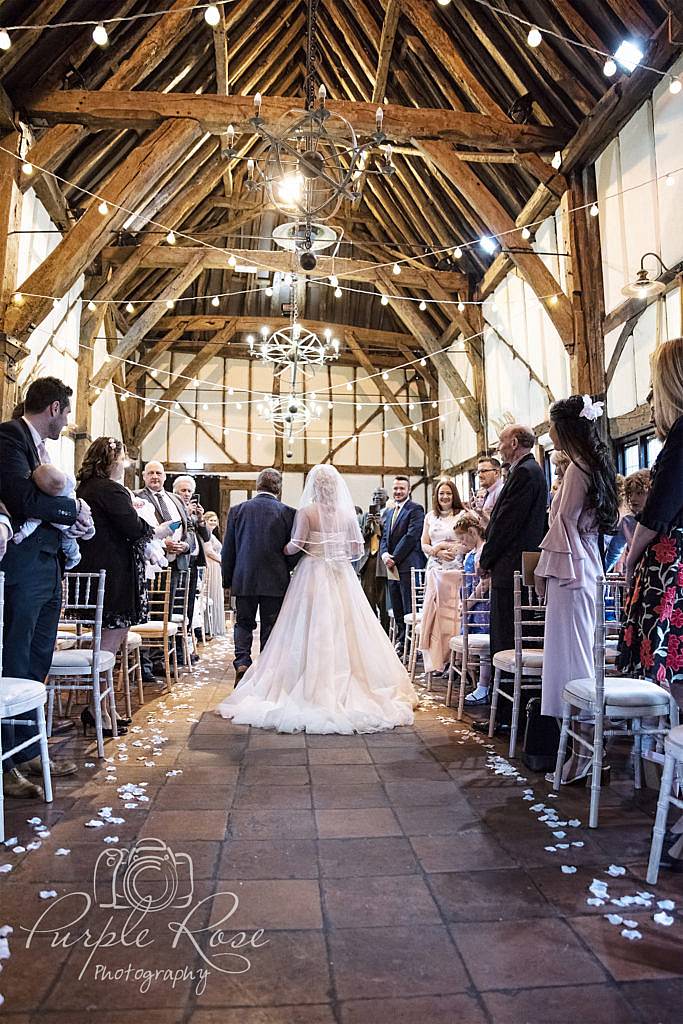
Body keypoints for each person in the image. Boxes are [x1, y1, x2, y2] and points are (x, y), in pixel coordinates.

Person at [216, 464, 417, 733]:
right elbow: (357, 548)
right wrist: (333, 554)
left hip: (301, 574)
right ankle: (339, 677)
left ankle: (249, 663)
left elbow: (294, 545)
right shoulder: (344, 514)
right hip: (339, 574)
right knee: (339, 626)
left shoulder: (303, 512)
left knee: (286, 625)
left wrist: (286, 550)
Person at [0, 377, 94, 798]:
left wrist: (73, 522)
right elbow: (22, 500)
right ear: (54, 408)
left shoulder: (42, 448)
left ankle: (29, 750)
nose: (68, 420)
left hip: (50, 563)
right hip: (23, 565)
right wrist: (72, 508)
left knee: (38, 659)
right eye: (68, 411)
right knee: (15, 657)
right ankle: (8, 763)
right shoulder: (10, 436)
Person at [618, 338, 683, 869]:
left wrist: (628, 559)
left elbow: (658, 512)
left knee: (675, 680)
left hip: (673, 571)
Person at [535, 396, 619, 783]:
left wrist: (541, 568)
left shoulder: (575, 470)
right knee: (582, 654)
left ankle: (583, 752)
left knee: (572, 662)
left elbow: (563, 524)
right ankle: (585, 750)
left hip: (572, 571)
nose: (548, 432)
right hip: (588, 564)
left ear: (563, 429)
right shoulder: (595, 465)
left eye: (551, 425)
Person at [76, 437, 155, 736]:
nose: (126, 464)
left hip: (100, 572)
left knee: (107, 647)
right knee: (107, 648)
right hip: (113, 577)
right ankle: (97, 708)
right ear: (110, 461)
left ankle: (104, 707)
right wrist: (150, 527)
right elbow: (133, 528)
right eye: (122, 458)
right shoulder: (109, 489)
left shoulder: (87, 488)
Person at [475, 424, 547, 734]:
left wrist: (486, 558)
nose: (499, 448)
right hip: (516, 566)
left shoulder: (525, 473)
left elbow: (506, 523)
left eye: (501, 442)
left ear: (514, 443)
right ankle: (506, 712)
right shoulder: (529, 471)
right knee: (506, 639)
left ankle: (506, 715)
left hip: (511, 569)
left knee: (504, 641)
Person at [221, 468, 297, 683]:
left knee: (243, 623)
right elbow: (294, 549)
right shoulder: (289, 513)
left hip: (244, 578)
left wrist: (227, 579)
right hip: (276, 579)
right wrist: (286, 567)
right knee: (270, 625)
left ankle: (243, 661)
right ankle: (266, 669)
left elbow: (229, 550)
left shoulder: (237, 511)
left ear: (257, 486)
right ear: (279, 488)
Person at [418, 479, 465, 674]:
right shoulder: (430, 516)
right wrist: (436, 551)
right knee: (436, 615)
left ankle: (455, 659)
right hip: (436, 569)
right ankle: (439, 660)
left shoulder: (463, 514)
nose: (445, 497)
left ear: (454, 495)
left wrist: (454, 549)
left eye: (448, 493)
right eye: (441, 494)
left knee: (454, 615)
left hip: (456, 569)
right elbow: (423, 544)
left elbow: (470, 540)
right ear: (436, 497)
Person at [12, 464, 92, 569]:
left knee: (69, 544)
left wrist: (22, 534)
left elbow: (33, 522)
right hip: (71, 521)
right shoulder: (68, 483)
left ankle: (76, 555)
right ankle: (84, 541)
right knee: (81, 528)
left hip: (67, 522)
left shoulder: (49, 500)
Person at [380, 475, 426, 654]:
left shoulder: (415, 510)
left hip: (407, 565)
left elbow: (411, 536)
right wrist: (384, 555)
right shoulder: (389, 512)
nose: (398, 492)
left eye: (402, 489)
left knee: (409, 607)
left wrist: (395, 558)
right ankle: (401, 642)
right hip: (391, 566)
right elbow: (384, 536)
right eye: (396, 489)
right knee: (397, 606)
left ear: (408, 490)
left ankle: (412, 646)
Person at [172, 475, 211, 662]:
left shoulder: (194, 513)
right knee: (175, 608)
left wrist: (200, 519)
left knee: (188, 609)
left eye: (189, 491)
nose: (187, 494)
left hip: (193, 566)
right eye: (183, 490)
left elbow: (206, 537)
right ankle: (175, 651)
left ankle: (184, 650)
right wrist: (186, 514)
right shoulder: (173, 509)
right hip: (178, 564)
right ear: (175, 491)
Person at [454, 511, 491, 706]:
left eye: (462, 538)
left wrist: (469, 601)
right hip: (471, 605)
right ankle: (476, 682)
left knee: (484, 648)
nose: (462, 543)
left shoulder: (482, 552)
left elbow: (483, 584)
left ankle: (483, 685)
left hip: (480, 607)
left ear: (471, 532)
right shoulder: (471, 553)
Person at [359, 487, 390, 631]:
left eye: (380, 495)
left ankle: (385, 631)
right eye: (375, 494)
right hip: (368, 561)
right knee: (367, 598)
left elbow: (390, 536)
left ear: (387, 498)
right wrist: (367, 527)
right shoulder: (365, 516)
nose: (377, 497)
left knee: (383, 600)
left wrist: (380, 526)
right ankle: (370, 631)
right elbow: (359, 538)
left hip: (382, 561)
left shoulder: (390, 514)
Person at [202, 510, 226, 637]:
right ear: (205, 521)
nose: (213, 522)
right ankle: (207, 626)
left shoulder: (213, 535)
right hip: (210, 565)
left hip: (215, 566)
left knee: (216, 593)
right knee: (210, 593)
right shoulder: (206, 535)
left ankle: (213, 625)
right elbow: (209, 551)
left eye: (214, 520)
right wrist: (223, 560)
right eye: (210, 520)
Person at [473, 456, 504, 526]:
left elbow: (503, 523)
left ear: (496, 473)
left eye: (483, 471)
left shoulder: (501, 492)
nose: (479, 475)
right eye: (478, 472)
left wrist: (483, 514)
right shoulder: (489, 493)